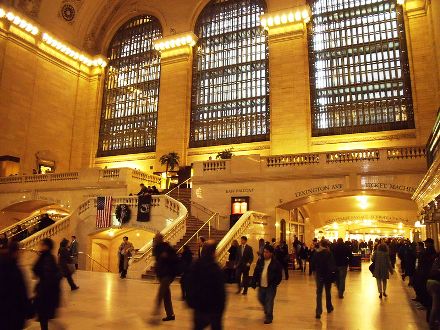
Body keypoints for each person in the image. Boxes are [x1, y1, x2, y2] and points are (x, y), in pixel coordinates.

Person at [186, 240, 226, 330]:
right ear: (212, 252)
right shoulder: (215, 268)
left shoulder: (195, 265)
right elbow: (220, 291)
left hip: (199, 307)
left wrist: (191, 302)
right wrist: (221, 308)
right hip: (213, 308)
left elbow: (189, 284)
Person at [0, 240, 33, 330]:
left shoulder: (7, 264)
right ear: (16, 252)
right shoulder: (14, 268)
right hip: (13, 312)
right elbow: (21, 291)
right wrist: (29, 309)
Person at [33, 238, 62, 330]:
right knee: (43, 316)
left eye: (42, 244)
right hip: (45, 291)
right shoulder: (45, 256)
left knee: (43, 315)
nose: (40, 246)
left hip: (46, 292)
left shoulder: (48, 258)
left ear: (47, 246)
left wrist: (41, 291)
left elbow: (47, 275)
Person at [251, 244, 283, 324]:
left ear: (271, 253)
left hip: (271, 286)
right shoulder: (261, 261)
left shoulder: (276, 263)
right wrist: (254, 281)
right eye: (264, 252)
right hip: (262, 284)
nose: (265, 254)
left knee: (269, 301)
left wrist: (275, 283)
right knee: (260, 298)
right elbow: (256, 271)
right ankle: (266, 308)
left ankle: (269, 316)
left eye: (267, 252)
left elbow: (279, 275)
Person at [152, 233, 178, 322]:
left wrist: (167, 256)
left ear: (161, 238)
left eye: (157, 238)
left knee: (161, 292)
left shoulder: (167, 246)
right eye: (155, 238)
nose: (156, 239)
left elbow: (175, 257)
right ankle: (170, 314)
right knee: (166, 295)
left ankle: (156, 310)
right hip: (161, 274)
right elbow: (157, 259)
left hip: (168, 274)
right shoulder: (156, 248)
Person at [311, 240, 335, 319]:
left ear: (321, 244)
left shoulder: (316, 253)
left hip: (319, 275)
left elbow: (312, 263)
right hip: (327, 275)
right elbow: (332, 265)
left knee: (319, 293)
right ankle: (329, 307)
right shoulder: (329, 253)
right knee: (328, 292)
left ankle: (318, 311)